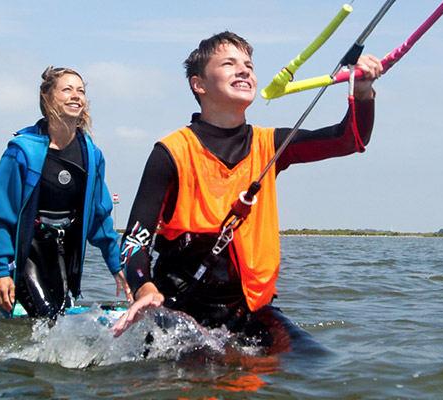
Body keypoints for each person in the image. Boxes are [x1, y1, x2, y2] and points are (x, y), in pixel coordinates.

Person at [110, 31, 383, 348]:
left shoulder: (271, 144)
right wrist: (144, 289)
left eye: (249, 66)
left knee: (315, 364)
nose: (244, 71)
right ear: (198, 84)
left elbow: (349, 139)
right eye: (229, 63)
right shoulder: (171, 153)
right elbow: (133, 242)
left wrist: (363, 94)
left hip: (250, 310)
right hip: (181, 311)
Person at [0, 66, 131, 318]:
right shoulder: (22, 152)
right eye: (67, 89)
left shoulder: (91, 155)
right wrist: (0, 271)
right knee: (49, 320)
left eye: (81, 91)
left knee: (59, 319)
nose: (76, 95)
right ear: (48, 97)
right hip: (26, 251)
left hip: (60, 251)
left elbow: (100, 218)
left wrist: (118, 267)